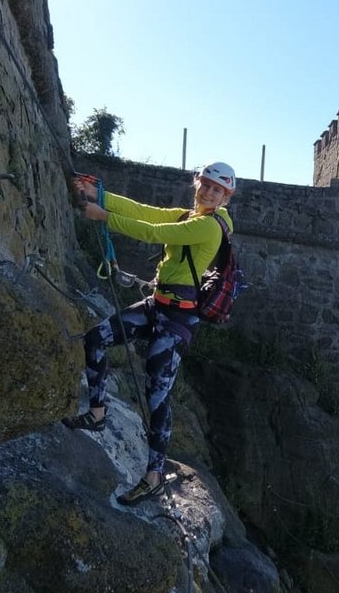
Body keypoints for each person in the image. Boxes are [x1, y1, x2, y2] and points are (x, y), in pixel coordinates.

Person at [64, 162, 236, 504]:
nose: (208, 192)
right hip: (157, 306)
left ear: (226, 197)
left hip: (178, 319)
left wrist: (103, 216)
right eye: (205, 185)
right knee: (97, 338)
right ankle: (97, 414)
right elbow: (145, 211)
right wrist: (98, 194)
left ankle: (154, 475)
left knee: (157, 396)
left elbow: (153, 233)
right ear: (197, 184)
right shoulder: (188, 216)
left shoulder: (209, 228)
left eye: (217, 190)